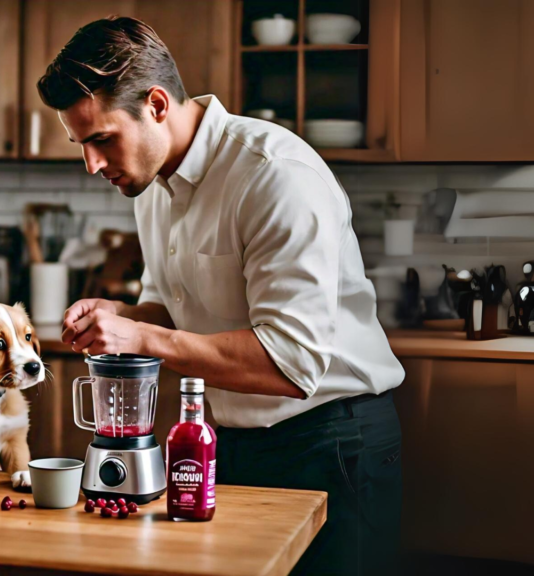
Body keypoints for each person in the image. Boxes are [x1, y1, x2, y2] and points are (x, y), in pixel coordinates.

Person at [38, 17, 405, 575]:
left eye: (101, 139)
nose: (91, 165)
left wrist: (141, 335)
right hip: (230, 440)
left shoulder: (273, 174)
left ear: (156, 105)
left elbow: (291, 363)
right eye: (80, 145)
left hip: (332, 442)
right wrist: (123, 315)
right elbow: (171, 309)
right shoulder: (151, 188)